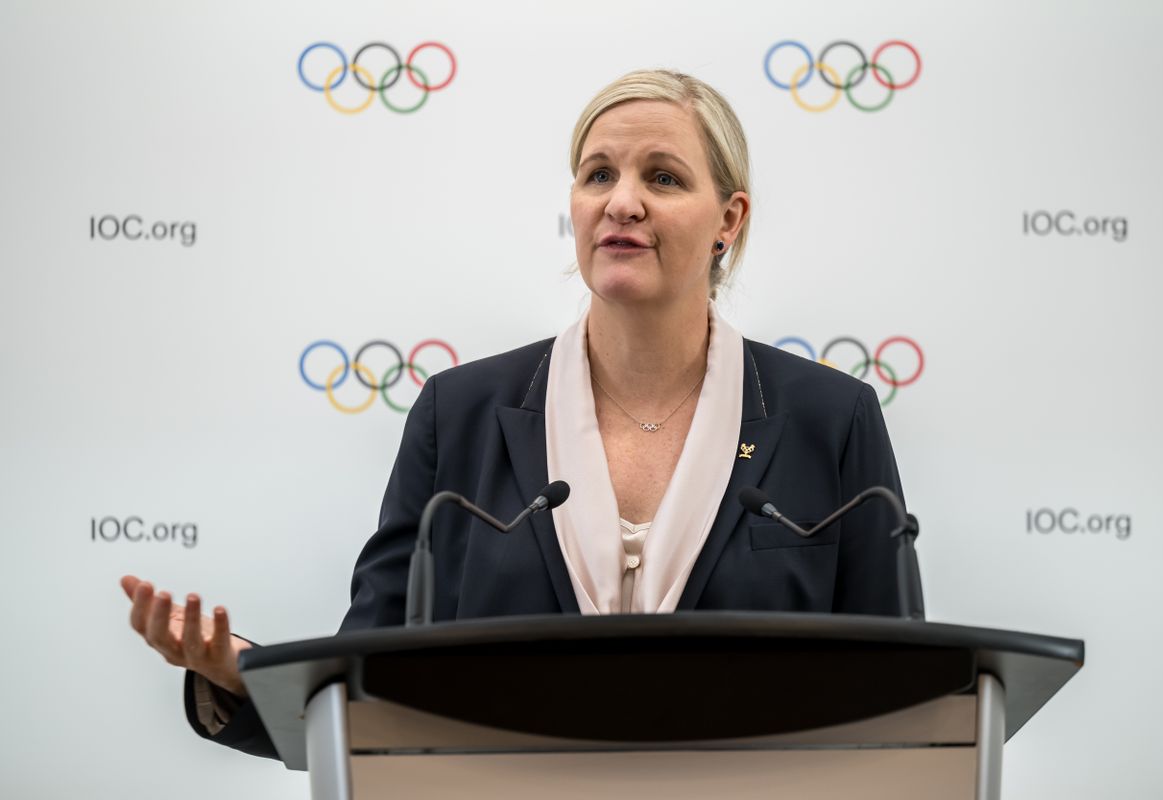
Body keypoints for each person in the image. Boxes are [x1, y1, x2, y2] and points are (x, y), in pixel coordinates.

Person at [121, 69, 907, 761]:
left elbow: (904, 701)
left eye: (662, 178)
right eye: (598, 174)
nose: (622, 201)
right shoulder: (458, 414)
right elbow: (368, 676)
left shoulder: (829, 419)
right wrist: (238, 672)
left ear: (728, 220)